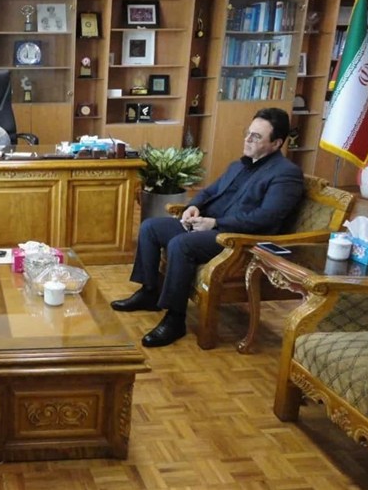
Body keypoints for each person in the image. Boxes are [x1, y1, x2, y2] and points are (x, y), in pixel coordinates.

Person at [110, 108, 304, 347]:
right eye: (248, 133)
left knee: (181, 244)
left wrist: (215, 223)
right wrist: (193, 207)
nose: (247, 139)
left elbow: (266, 218)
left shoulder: (286, 174)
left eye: (256, 137)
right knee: (151, 227)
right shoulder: (238, 165)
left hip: (238, 237)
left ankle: (175, 319)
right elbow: (209, 191)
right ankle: (149, 292)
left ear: (276, 143)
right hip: (209, 225)